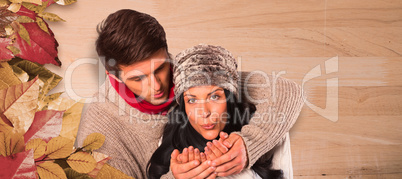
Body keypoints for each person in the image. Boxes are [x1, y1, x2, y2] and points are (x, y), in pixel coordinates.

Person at [76, 9, 305, 179]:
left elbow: (288, 91)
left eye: (160, 69)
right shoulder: (100, 123)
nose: (156, 86)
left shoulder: (193, 73)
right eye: (138, 78)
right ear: (114, 76)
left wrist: (248, 145)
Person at [147, 44, 284, 179]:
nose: (204, 112)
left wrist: (250, 146)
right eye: (192, 100)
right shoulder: (170, 143)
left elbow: (285, 89)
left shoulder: (268, 131)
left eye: (214, 97)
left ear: (229, 99)